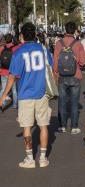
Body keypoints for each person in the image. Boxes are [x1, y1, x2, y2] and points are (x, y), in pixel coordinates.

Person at [0, 22, 51, 168]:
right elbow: (51, 69)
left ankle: (29, 159)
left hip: (25, 94)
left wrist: (3, 96)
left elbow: (12, 77)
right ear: (35, 35)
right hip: (42, 92)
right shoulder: (43, 49)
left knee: (27, 127)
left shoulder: (19, 52)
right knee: (43, 126)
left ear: (22, 35)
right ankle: (43, 158)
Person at [53, 22, 85, 134]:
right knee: (74, 102)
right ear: (75, 31)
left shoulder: (59, 44)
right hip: (75, 76)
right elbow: (83, 62)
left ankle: (62, 126)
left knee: (62, 101)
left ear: (65, 30)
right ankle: (74, 127)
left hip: (62, 77)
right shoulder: (78, 44)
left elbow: (55, 62)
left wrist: (56, 74)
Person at [0, 33, 17, 108]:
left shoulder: (1, 48)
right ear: (11, 39)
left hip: (3, 71)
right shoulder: (15, 48)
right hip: (12, 71)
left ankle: (1, 102)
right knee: (14, 90)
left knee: (3, 89)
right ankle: (15, 105)